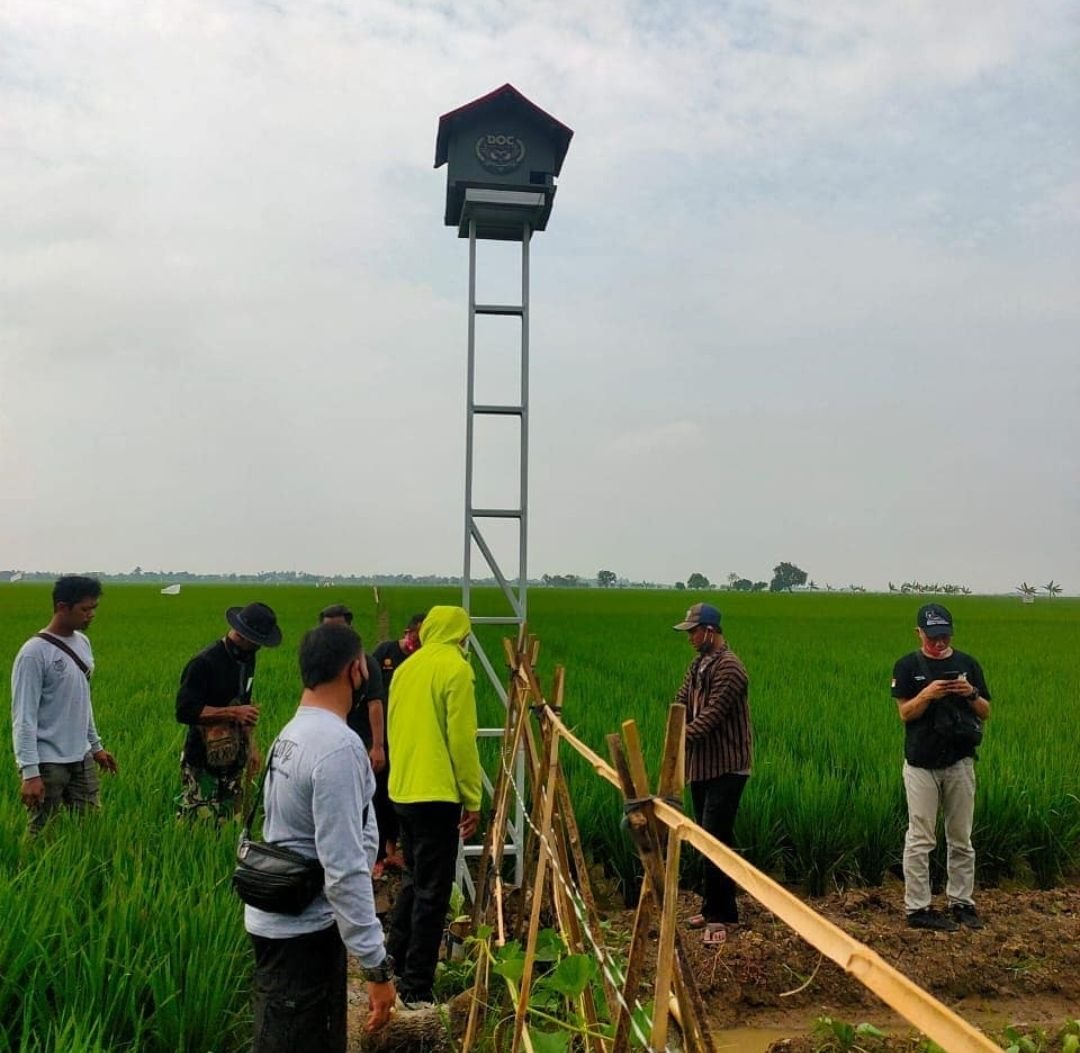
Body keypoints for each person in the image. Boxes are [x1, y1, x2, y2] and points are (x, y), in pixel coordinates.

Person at [245, 622, 395, 1052]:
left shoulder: (290, 733)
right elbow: (345, 869)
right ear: (354, 671)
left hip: (277, 921)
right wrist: (375, 967)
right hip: (304, 935)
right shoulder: (337, 748)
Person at [386, 605, 481, 1007]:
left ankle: (395, 955)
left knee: (413, 878)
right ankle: (416, 987)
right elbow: (462, 740)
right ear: (461, 634)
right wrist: (473, 798)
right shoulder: (456, 669)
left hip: (402, 790)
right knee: (433, 892)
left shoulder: (408, 667)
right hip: (435, 795)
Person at [892, 603, 992, 931]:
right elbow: (905, 713)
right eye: (932, 637)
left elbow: (985, 711)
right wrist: (928, 694)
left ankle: (962, 902)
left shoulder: (967, 664)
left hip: (960, 762)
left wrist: (970, 692)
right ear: (918, 632)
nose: (938, 643)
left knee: (961, 837)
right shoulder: (907, 666)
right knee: (921, 838)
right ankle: (917, 908)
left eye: (944, 636)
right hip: (921, 764)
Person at [11, 575, 118, 832]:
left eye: (94, 608)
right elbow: (23, 717)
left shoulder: (82, 642)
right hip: (48, 762)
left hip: (81, 757)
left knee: (91, 830)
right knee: (42, 832)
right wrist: (30, 773)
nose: (91, 615)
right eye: (85, 609)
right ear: (62, 607)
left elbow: (82, 701)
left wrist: (95, 747)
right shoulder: (33, 654)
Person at [672, 602, 752, 945]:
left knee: (714, 837)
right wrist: (674, 720)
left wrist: (678, 738)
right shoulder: (699, 664)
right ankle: (714, 906)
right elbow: (682, 698)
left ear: (711, 630)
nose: (690, 637)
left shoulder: (730, 668)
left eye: (694, 631)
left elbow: (712, 715)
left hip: (728, 766)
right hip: (702, 766)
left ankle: (722, 918)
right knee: (706, 836)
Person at [175, 602, 281, 822]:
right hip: (202, 759)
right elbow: (185, 711)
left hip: (234, 757)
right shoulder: (204, 663)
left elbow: (245, 706)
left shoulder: (247, 658)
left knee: (231, 820)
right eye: (257, 642)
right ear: (243, 635)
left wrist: (252, 747)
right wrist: (232, 713)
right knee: (197, 820)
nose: (259, 647)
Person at [369, 612, 425, 872]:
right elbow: (372, 694)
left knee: (398, 796)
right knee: (379, 793)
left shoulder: (423, 659)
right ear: (408, 632)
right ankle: (378, 854)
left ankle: (394, 850)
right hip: (383, 736)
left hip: (407, 737)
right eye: (417, 635)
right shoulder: (386, 652)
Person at [318, 605, 386, 775]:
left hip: (361, 740)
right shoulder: (319, 664)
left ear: (350, 629)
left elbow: (375, 704)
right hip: (329, 742)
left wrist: (377, 747)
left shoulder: (366, 664)